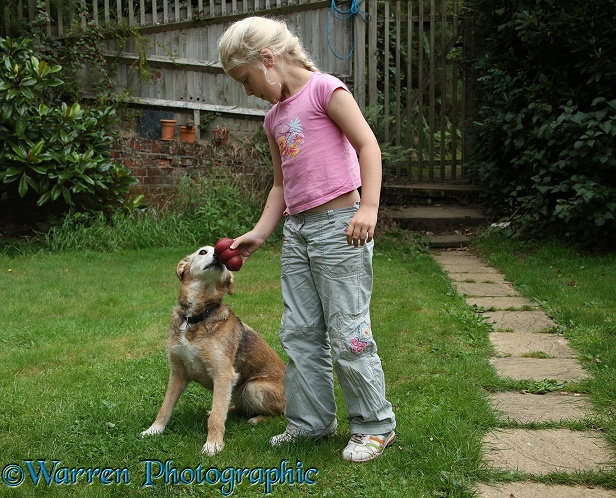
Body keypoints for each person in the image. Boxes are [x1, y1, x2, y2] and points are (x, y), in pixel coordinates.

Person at [217, 16, 396, 463]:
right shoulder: (274, 117)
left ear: (267, 59)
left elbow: (368, 147)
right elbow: (281, 186)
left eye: (245, 79)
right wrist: (261, 232)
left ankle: (374, 424)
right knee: (299, 333)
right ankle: (311, 422)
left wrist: (369, 208)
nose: (247, 90)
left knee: (348, 332)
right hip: (298, 233)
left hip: (341, 227)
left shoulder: (325, 90)